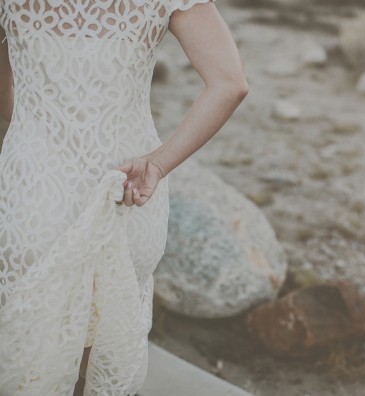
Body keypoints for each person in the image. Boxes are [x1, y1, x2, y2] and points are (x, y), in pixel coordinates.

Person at [0, 0, 248, 395]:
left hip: (34, 191)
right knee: (100, 356)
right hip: (127, 192)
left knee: (28, 352)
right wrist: (157, 164)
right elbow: (230, 84)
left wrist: (30, 126)